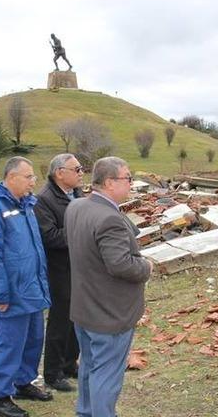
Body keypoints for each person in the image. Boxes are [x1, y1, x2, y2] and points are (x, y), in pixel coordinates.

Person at [65, 156, 153, 417]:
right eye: (127, 178)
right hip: (109, 314)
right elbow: (121, 265)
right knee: (106, 375)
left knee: (90, 367)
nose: (131, 183)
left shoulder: (77, 207)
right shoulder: (108, 219)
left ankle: (86, 412)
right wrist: (146, 266)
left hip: (85, 307)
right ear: (109, 182)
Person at [0, 157, 52, 417]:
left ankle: (23, 382)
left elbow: (33, 249)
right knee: (9, 344)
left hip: (32, 289)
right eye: (28, 177)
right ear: (11, 178)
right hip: (11, 292)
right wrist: (0, 294)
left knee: (33, 341)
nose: (34, 182)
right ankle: (0, 396)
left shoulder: (27, 205)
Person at [34, 154, 84, 393]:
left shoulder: (76, 194)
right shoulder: (44, 200)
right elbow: (49, 236)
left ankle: (69, 362)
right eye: (77, 169)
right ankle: (52, 372)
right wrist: (80, 232)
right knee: (60, 319)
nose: (81, 173)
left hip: (78, 266)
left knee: (76, 317)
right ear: (59, 173)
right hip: (58, 268)